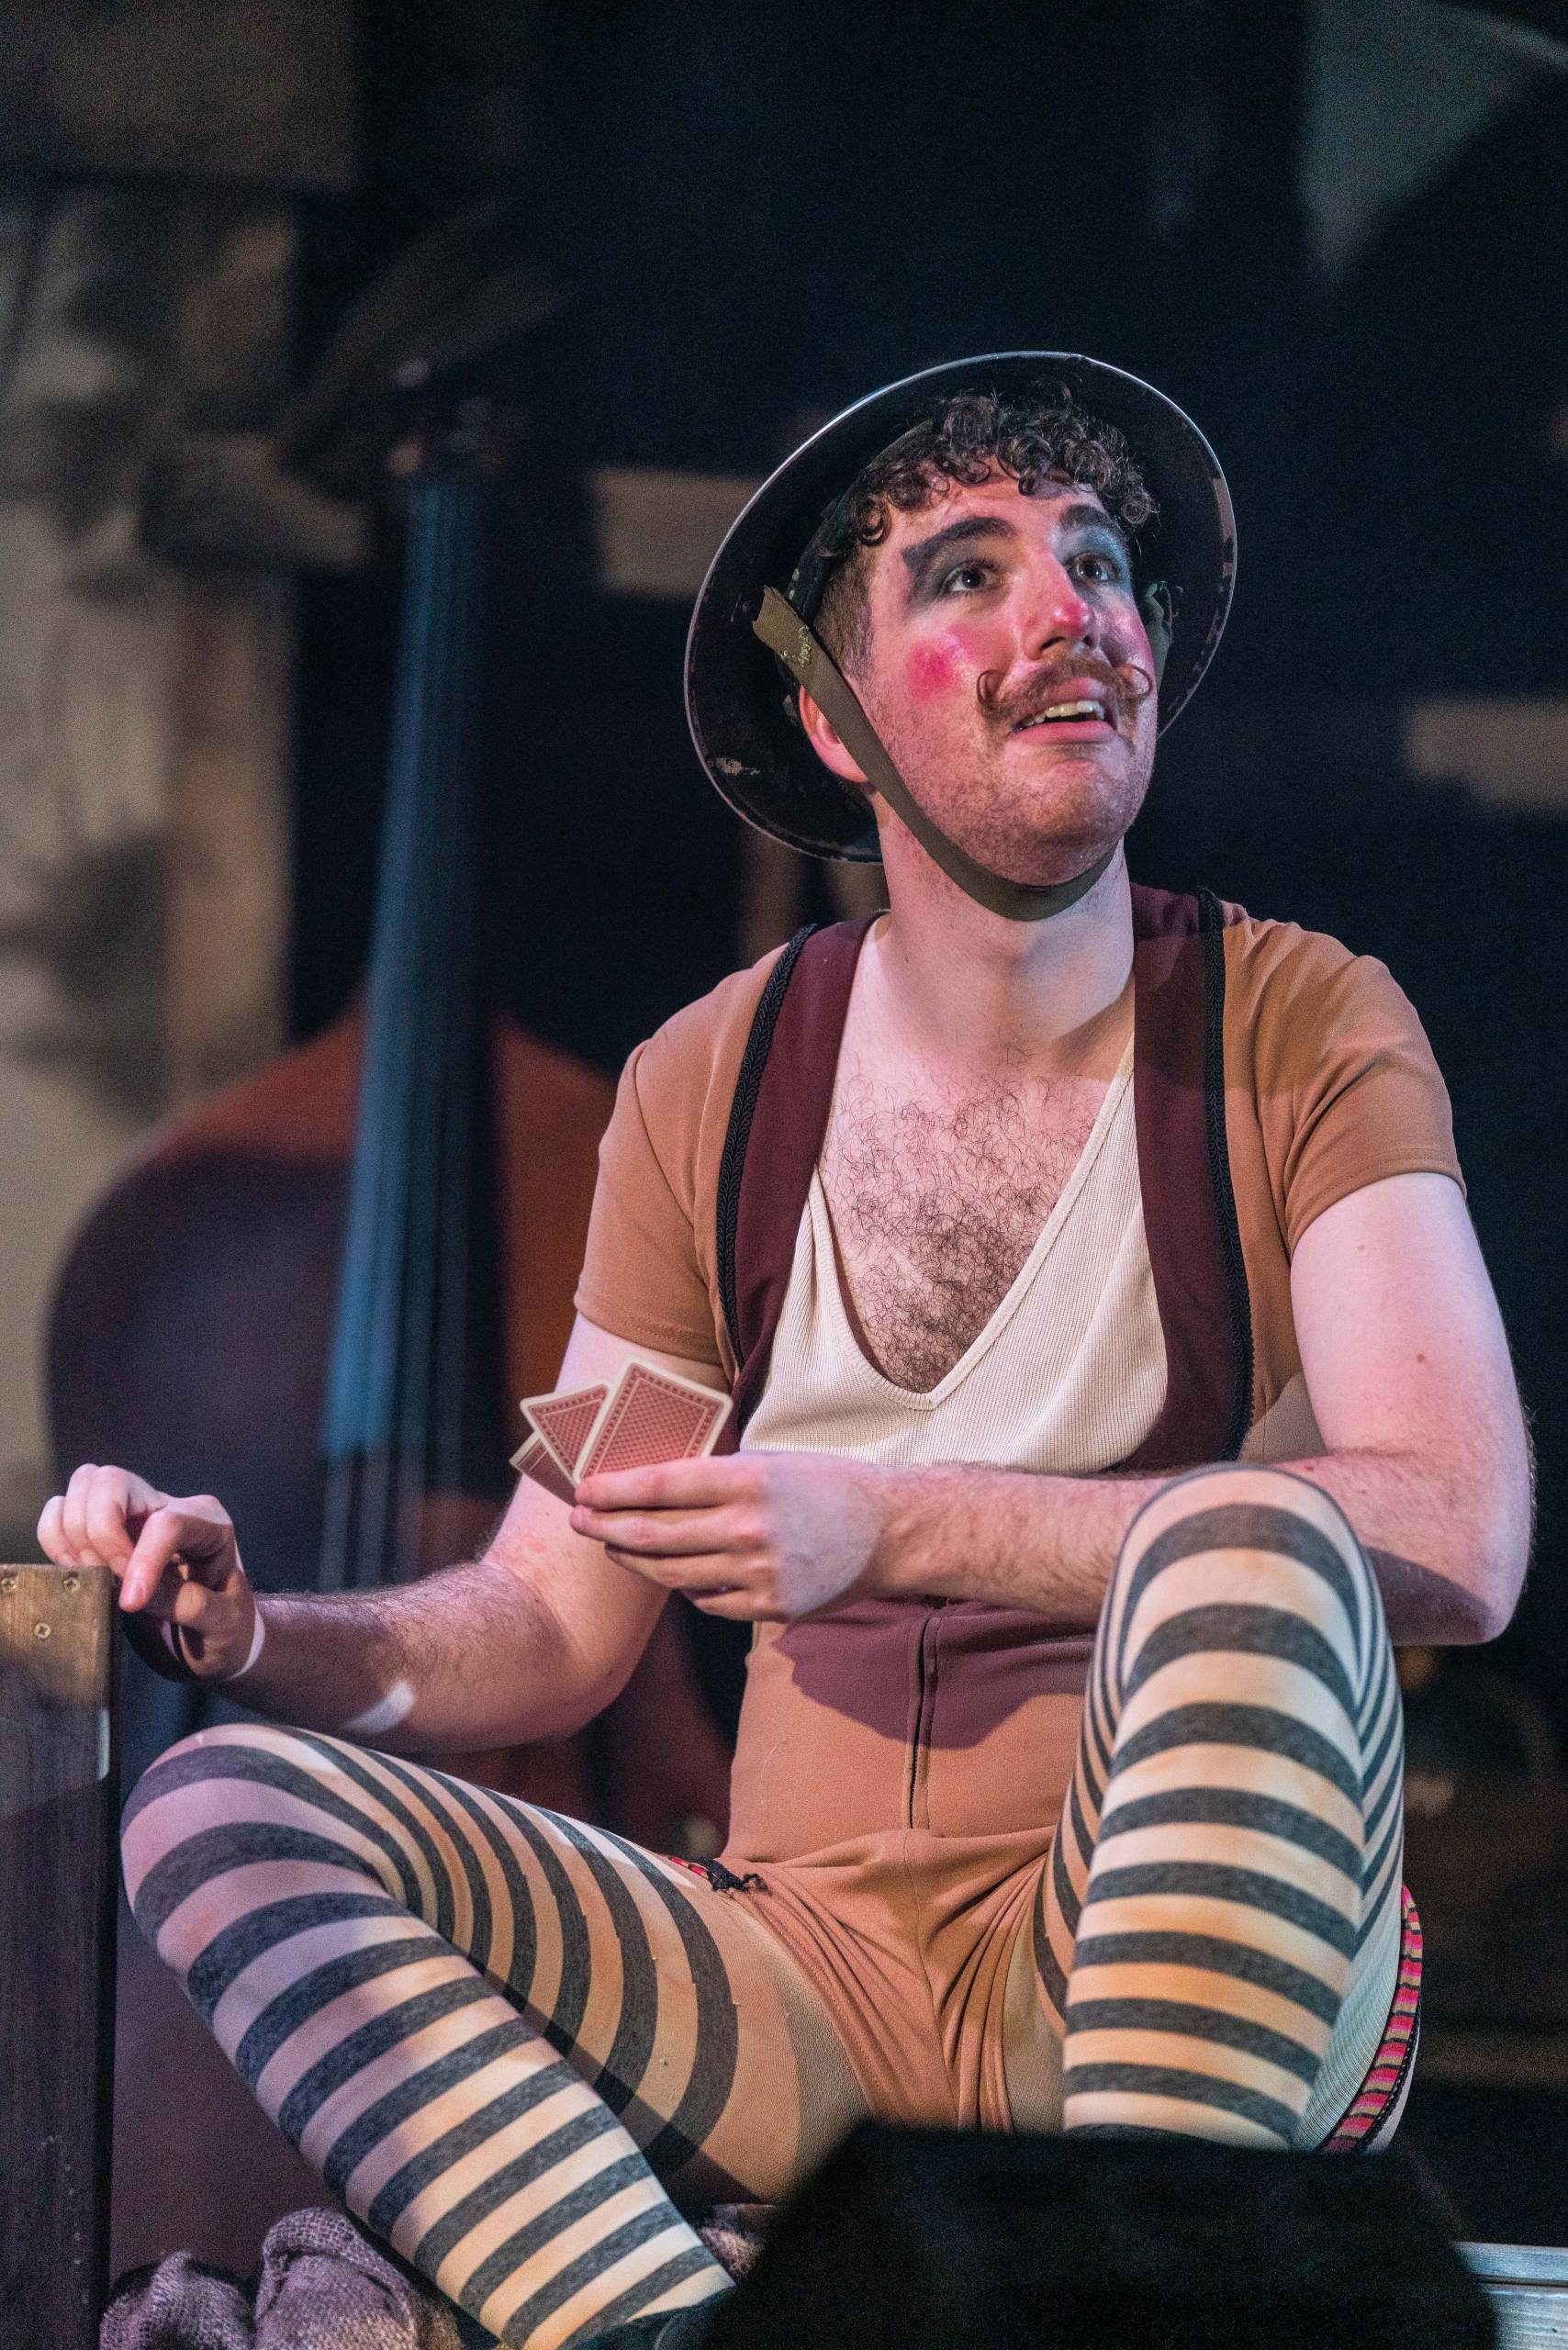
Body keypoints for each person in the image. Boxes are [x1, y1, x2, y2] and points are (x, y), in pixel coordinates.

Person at [42, 356, 1531, 2350]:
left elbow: (1452, 1520)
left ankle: (1127, 2309)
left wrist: (891, 1522)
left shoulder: (1299, 1020)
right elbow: (556, 1613)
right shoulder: (707, 1085)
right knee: (213, 1806)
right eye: (966, 575)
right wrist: (251, 1636)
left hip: (1165, 1989)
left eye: (1095, 564)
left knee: (1253, 1545)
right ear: (832, 718)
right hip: (803, 1978)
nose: (1064, 610)